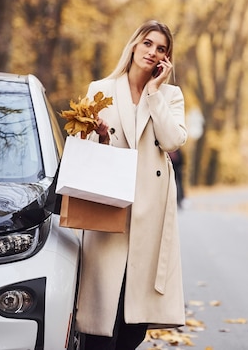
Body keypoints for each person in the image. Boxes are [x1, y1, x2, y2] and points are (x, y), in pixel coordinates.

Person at [75, 20, 187, 350]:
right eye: (148, 43)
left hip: (150, 212)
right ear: (135, 45)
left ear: (167, 59)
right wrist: (103, 135)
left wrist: (153, 95)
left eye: (161, 49)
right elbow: (83, 150)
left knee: (135, 321)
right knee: (101, 314)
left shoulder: (170, 95)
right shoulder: (102, 89)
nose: (153, 52)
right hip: (109, 209)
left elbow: (172, 141)